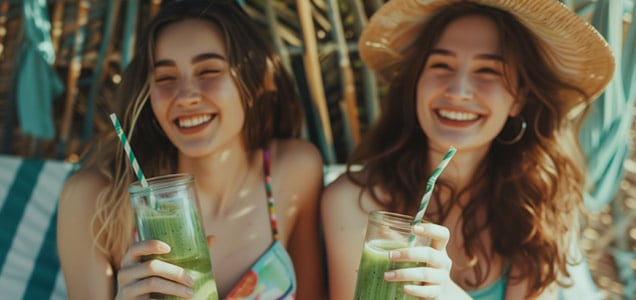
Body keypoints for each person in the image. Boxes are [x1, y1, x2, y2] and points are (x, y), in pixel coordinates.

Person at [322, 0, 615, 299]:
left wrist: (447, 293)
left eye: (488, 71)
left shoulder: (540, 207)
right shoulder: (353, 202)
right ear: (415, 83)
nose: (458, 91)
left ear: (519, 99)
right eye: (441, 65)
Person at [57, 1, 326, 299]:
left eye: (208, 71)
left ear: (254, 78)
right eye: (166, 78)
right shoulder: (94, 200)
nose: (185, 97)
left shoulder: (294, 171)